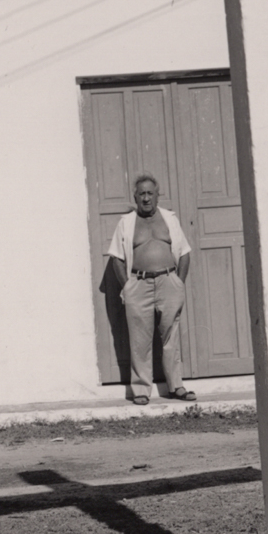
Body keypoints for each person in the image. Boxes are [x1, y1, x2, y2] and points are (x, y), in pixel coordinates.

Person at [105, 173, 197, 405]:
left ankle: (176, 386)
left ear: (157, 195)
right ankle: (142, 391)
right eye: (141, 194)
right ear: (135, 197)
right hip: (139, 284)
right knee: (139, 340)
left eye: (150, 193)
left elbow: (184, 252)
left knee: (170, 337)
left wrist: (178, 282)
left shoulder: (169, 219)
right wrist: (128, 286)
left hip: (168, 282)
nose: (146, 198)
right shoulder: (126, 223)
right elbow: (116, 257)